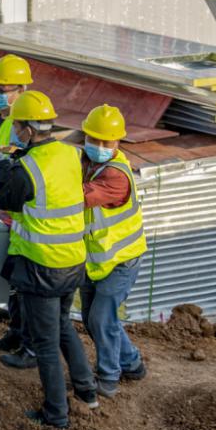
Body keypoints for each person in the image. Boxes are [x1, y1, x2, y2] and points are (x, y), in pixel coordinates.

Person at [0, 90, 98, 428]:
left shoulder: (26, 167)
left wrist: (2, 165)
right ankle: (87, 391)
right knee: (64, 326)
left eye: (15, 125)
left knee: (46, 343)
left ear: (26, 129)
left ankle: (56, 414)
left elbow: (6, 200)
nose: (13, 130)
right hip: (73, 260)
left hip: (42, 265)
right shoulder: (70, 154)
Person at [79, 105, 148, 397]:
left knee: (101, 319)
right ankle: (131, 363)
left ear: (118, 142)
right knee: (92, 316)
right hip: (98, 261)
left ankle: (108, 379)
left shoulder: (116, 176)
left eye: (106, 142)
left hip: (122, 260)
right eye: (93, 139)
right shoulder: (86, 160)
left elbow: (80, 197)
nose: (99, 147)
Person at [0, 54, 38, 370]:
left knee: (26, 286)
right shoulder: (3, 116)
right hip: (7, 209)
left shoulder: (25, 120)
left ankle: (30, 346)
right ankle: (15, 334)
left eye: (3, 88)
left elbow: (20, 166)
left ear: (22, 88)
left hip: (23, 216)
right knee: (15, 285)